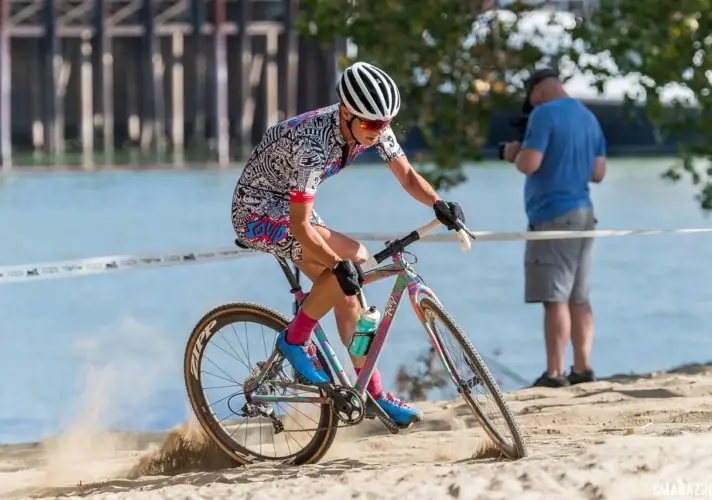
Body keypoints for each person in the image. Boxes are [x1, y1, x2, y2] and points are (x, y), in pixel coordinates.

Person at [231, 61, 466, 426]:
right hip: (258, 213)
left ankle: (372, 392)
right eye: (372, 125)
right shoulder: (312, 145)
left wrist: (438, 203)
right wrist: (340, 263)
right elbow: (299, 225)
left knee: (348, 297)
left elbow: (406, 175)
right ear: (346, 114)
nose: (379, 132)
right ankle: (294, 342)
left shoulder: (370, 125)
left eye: (385, 124)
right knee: (353, 258)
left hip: (292, 208)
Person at [501, 68, 606, 388]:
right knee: (579, 297)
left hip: (552, 216)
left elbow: (529, 163)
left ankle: (555, 372)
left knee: (554, 297)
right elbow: (598, 173)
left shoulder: (544, 114)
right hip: (584, 214)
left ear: (537, 92)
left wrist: (511, 153)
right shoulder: (589, 118)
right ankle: (584, 367)